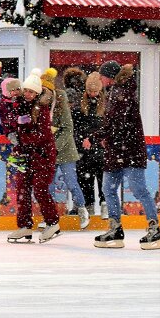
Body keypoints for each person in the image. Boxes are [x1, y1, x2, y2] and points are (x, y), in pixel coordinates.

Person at [89, 62, 159, 249]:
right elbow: (114, 124)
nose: (100, 80)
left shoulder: (123, 94)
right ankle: (116, 228)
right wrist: (105, 138)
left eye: (102, 76)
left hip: (130, 152)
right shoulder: (115, 92)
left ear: (110, 76)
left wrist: (96, 137)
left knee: (139, 190)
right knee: (108, 188)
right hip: (117, 151)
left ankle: (154, 227)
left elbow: (118, 125)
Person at [6, 70, 61, 243]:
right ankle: (24, 226)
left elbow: (42, 135)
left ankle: (53, 223)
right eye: (26, 91)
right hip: (26, 156)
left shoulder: (42, 109)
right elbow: (14, 123)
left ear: (37, 93)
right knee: (22, 189)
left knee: (40, 189)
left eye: (32, 92)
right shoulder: (21, 105)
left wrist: (23, 140)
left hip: (43, 156)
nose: (28, 94)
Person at [42, 68, 88, 229]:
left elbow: (68, 127)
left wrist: (55, 146)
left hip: (65, 150)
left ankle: (82, 209)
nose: (43, 93)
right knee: (49, 185)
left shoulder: (60, 99)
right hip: (48, 151)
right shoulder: (38, 104)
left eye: (45, 90)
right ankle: (50, 216)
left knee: (71, 182)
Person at [71, 70, 105, 222]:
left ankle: (104, 204)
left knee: (102, 177)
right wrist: (82, 138)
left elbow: (104, 126)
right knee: (84, 178)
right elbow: (74, 126)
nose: (92, 94)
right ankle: (88, 204)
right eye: (90, 91)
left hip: (100, 148)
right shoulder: (79, 105)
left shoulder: (106, 104)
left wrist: (94, 138)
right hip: (83, 149)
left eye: (95, 91)